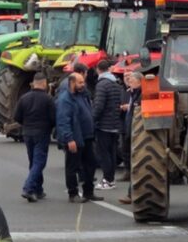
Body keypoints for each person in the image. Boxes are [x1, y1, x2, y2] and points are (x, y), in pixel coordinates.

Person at [56, 72, 102, 203]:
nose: (83, 85)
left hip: (87, 137)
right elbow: (63, 121)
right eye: (80, 82)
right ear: (72, 83)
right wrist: (69, 139)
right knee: (72, 167)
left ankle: (88, 191)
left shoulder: (83, 96)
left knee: (91, 164)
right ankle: (73, 193)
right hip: (75, 138)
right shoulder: (65, 99)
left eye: (83, 82)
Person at [13, 74, 55, 202]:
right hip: (41, 133)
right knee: (39, 162)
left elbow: (17, 117)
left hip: (27, 133)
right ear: (44, 84)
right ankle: (29, 188)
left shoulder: (24, 98)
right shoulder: (48, 99)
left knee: (33, 161)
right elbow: (53, 118)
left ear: (33, 83)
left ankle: (38, 189)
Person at [92, 59, 123, 191]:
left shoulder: (101, 85)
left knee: (104, 154)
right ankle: (111, 179)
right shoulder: (116, 84)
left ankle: (107, 180)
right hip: (115, 124)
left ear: (98, 70)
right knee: (112, 153)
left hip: (104, 125)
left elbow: (99, 106)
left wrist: (92, 120)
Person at [117, 71, 142, 204]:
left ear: (139, 82)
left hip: (136, 135)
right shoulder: (132, 93)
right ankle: (131, 193)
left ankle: (132, 194)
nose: (129, 82)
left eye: (131, 80)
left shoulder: (140, 96)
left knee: (137, 165)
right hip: (130, 132)